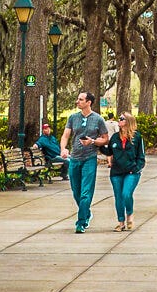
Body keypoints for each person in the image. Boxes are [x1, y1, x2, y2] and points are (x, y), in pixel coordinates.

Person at [59, 91, 109, 233]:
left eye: (80, 100)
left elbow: (106, 139)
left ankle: (81, 222)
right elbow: (65, 135)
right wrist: (63, 149)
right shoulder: (73, 118)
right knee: (76, 191)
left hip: (90, 158)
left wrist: (93, 141)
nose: (77, 101)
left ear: (89, 102)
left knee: (86, 192)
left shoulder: (98, 119)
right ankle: (87, 213)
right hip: (74, 158)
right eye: (78, 99)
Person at [100, 112, 145, 231]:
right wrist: (97, 144)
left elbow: (141, 156)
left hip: (131, 172)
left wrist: (136, 168)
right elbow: (109, 152)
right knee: (118, 197)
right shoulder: (115, 137)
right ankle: (121, 222)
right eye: (119, 118)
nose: (119, 120)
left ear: (128, 121)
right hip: (116, 172)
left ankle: (129, 214)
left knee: (126, 194)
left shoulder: (137, 137)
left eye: (121, 119)